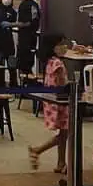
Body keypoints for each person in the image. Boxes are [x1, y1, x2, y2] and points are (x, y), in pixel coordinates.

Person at [28, 33, 71, 173]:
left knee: (64, 132)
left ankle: (61, 163)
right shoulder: (57, 63)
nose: (65, 47)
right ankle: (37, 150)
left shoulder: (50, 61)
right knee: (65, 133)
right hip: (60, 102)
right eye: (61, 44)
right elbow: (61, 82)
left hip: (52, 101)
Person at [15, 0, 41, 80]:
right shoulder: (34, 4)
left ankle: (26, 84)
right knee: (29, 63)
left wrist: (11, 24)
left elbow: (26, 22)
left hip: (25, 39)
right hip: (33, 38)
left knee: (23, 65)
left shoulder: (24, 5)